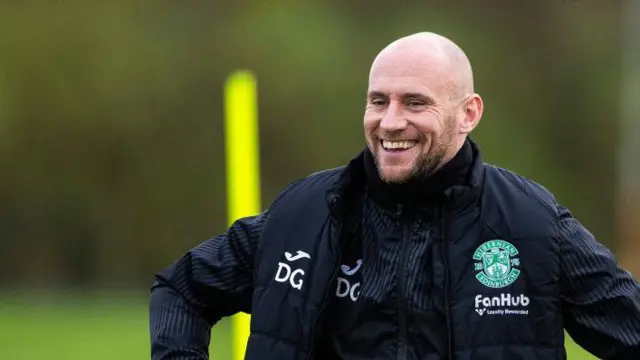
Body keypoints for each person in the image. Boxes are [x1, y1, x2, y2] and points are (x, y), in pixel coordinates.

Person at [149, 32, 640, 359]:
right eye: (378, 101)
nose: (390, 122)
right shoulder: (303, 215)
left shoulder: (533, 226)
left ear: (468, 114)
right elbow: (182, 289)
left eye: (416, 102)